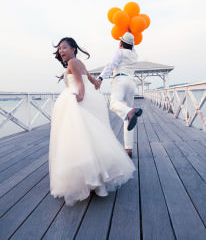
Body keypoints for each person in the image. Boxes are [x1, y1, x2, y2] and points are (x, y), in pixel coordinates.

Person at [49, 37, 136, 206]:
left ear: (73, 49)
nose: (61, 51)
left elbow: (80, 83)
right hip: (80, 98)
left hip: (74, 100)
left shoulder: (73, 63)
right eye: (60, 48)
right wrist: (96, 82)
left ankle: (89, 177)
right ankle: (96, 176)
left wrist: (81, 94)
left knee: (77, 139)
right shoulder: (79, 62)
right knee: (89, 137)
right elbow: (89, 78)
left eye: (64, 47)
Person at [96, 32, 143, 158]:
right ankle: (129, 149)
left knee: (113, 104)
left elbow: (111, 65)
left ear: (121, 43)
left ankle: (130, 111)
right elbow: (132, 46)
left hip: (120, 80)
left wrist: (100, 78)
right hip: (132, 83)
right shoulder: (135, 54)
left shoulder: (120, 52)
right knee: (128, 117)